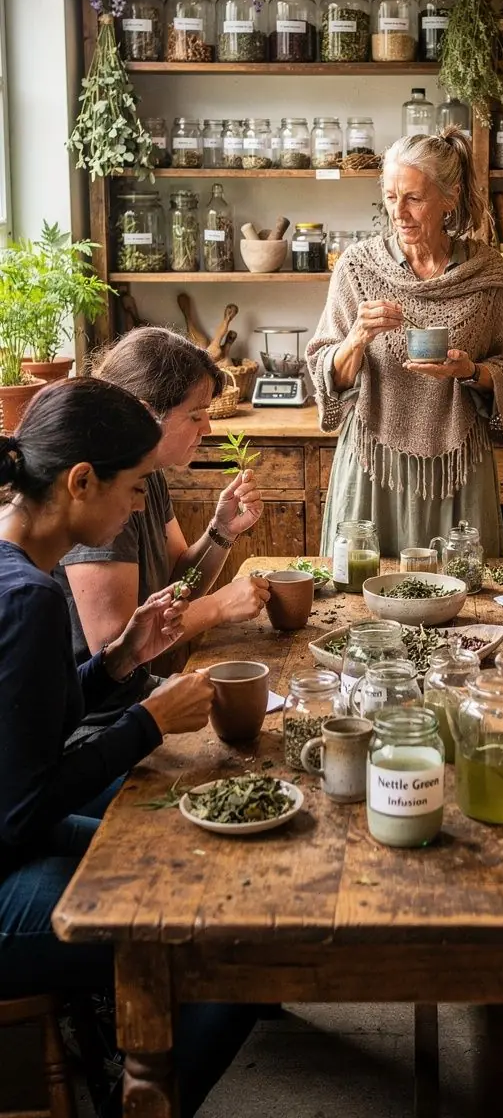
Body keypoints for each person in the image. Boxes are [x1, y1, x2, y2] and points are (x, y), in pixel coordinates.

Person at [0, 378, 256, 1115]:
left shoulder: (19, 568)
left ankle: (132, 1051)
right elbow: (20, 810)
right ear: (81, 481)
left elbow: (23, 730)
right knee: (227, 949)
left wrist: (117, 661)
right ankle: (139, 1103)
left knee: (188, 855)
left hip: (16, 839)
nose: (142, 503)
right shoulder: (28, 598)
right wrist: (147, 723)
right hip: (6, 864)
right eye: (138, 485)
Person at [306, 128, 503, 556]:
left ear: (450, 197)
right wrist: (356, 338)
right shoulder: (357, 267)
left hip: (458, 467)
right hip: (373, 465)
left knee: (464, 597)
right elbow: (325, 368)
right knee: (362, 598)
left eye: (413, 198)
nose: (399, 213)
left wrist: (471, 371)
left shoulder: (485, 269)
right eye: (390, 197)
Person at [56, 328, 270, 739]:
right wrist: (220, 607)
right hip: (96, 722)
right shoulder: (101, 493)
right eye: (195, 414)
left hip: (136, 698)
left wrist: (220, 533)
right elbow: (116, 642)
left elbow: (177, 581)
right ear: (144, 412)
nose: (207, 427)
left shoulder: (147, 474)